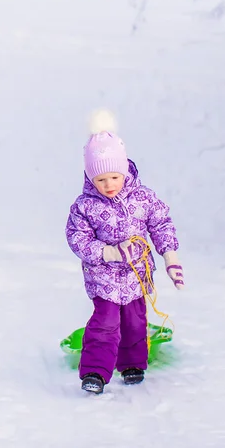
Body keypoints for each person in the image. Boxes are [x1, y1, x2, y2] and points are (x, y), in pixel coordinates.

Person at [65, 111, 184, 394]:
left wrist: (171, 257)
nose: (108, 185)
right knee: (104, 323)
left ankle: (132, 363)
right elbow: (76, 238)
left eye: (114, 177)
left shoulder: (143, 198)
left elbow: (161, 223)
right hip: (103, 278)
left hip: (136, 277)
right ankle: (95, 371)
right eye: (101, 180)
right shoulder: (84, 206)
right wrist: (107, 252)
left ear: (125, 171)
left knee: (134, 320)